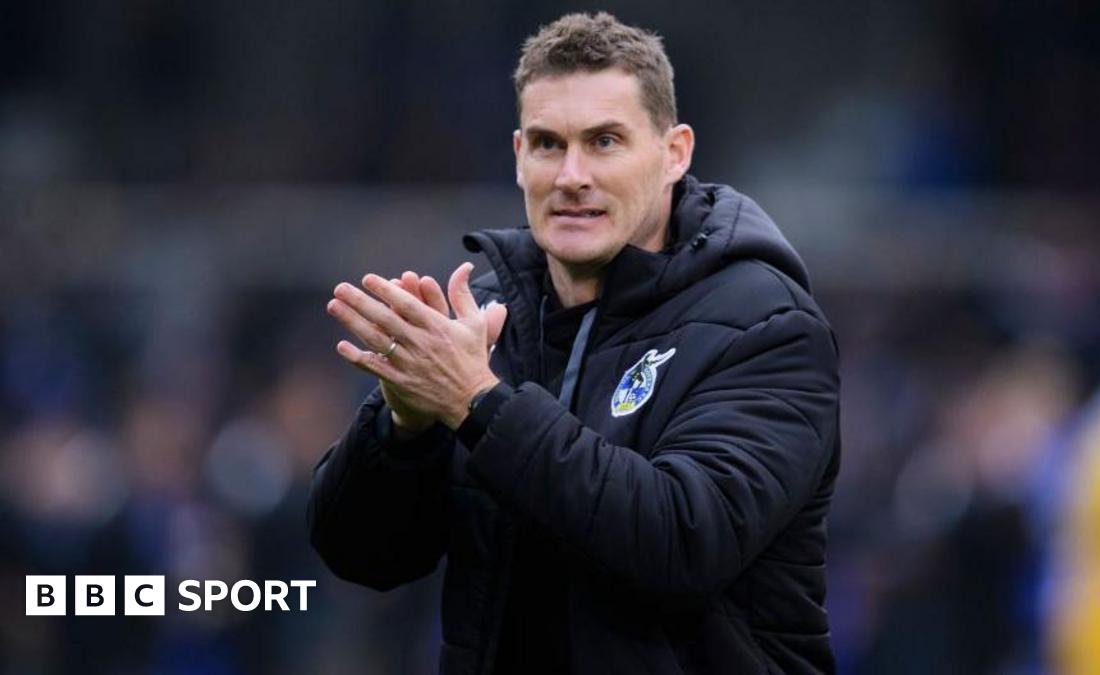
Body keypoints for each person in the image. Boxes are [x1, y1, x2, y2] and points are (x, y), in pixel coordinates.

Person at [309, 12, 841, 674]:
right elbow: (363, 557)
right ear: (518, 156)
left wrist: (477, 402)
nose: (571, 175)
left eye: (604, 141)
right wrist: (404, 430)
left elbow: (683, 542)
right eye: (547, 144)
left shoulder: (766, 325)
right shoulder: (488, 317)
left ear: (675, 153)